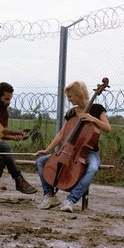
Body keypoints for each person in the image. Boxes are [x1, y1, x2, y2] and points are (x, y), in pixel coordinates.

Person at [35, 81, 111, 213]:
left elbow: (107, 128)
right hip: (68, 151)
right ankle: (49, 195)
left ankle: (71, 199)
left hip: (89, 152)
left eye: (70, 96)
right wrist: (47, 150)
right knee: (41, 161)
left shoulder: (97, 109)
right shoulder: (71, 113)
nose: (69, 100)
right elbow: (61, 134)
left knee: (92, 167)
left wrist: (92, 119)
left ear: (78, 94)